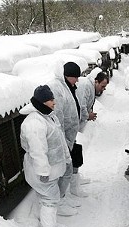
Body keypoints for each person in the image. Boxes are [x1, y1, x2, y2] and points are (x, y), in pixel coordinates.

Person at [19, 85, 71, 227]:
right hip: (40, 169)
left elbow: (59, 140)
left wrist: (66, 158)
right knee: (50, 197)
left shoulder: (47, 116)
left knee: (51, 196)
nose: (54, 102)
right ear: (41, 102)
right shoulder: (34, 123)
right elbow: (37, 150)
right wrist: (42, 171)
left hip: (53, 166)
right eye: (50, 100)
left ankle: (51, 223)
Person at [48, 61, 83, 212]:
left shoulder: (67, 87)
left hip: (68, 136)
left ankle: (63, 197)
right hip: (61, 138)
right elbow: (58, 117)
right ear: (68, 76)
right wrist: (62, 139)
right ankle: (59, 202)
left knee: (67, 169)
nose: (77, 80)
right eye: (75, 77)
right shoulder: (57, 88)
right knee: (62, 170)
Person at [71, 70, 110, 196]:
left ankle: (76, 177)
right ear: (96, 81)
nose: (103, 89)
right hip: (70, 123)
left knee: (75, 149)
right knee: (73, 152)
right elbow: (81, 106)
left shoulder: (90, 87)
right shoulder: (86, 86)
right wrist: (88, 115)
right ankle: (73, 186)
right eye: (102, 86)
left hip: (73, 124)